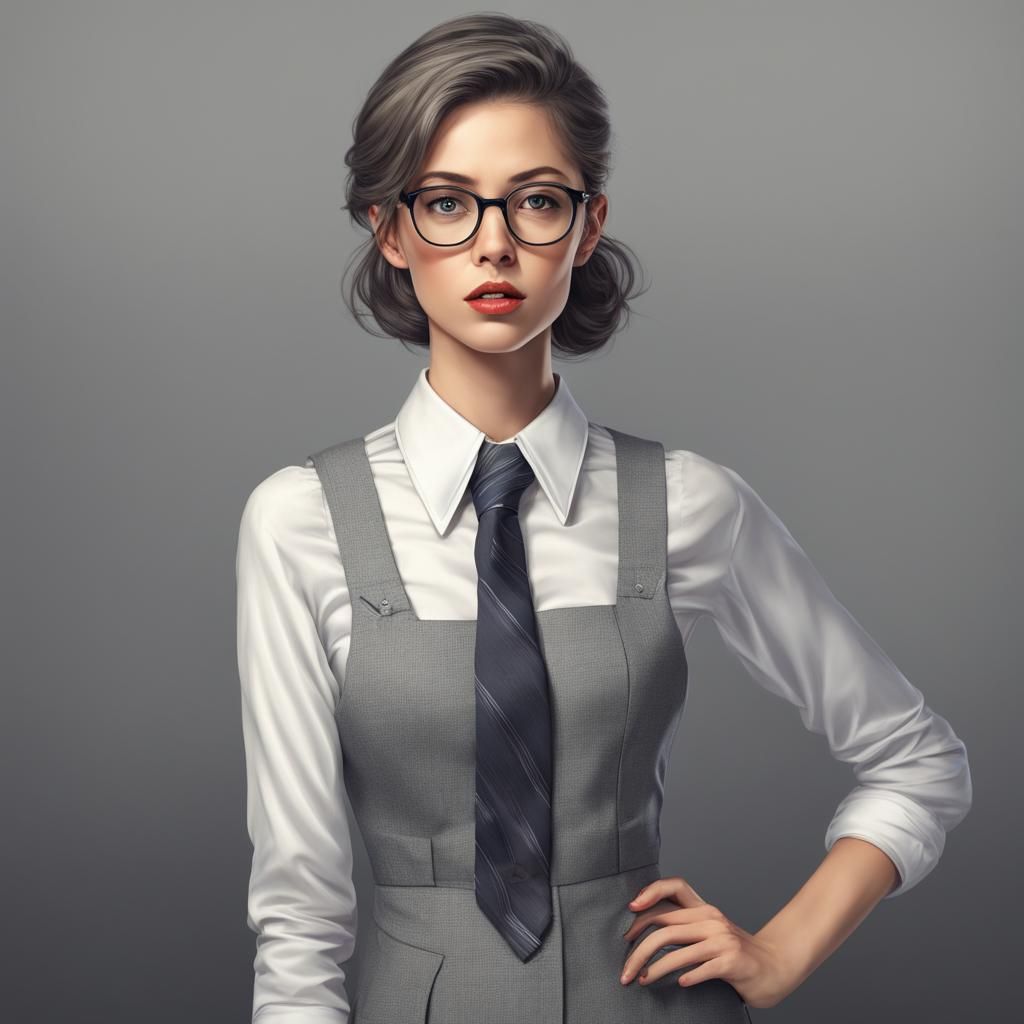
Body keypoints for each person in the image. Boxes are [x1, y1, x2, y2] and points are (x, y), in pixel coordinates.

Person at [235, 13, 972, 1024]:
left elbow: (918, 757)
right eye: (447, 203)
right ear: (391, 228)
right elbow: (301, 908)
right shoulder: (299, 519)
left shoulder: (688, 503)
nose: (493, 243)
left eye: (536, 201)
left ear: (586, 225)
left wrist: (781, 950)